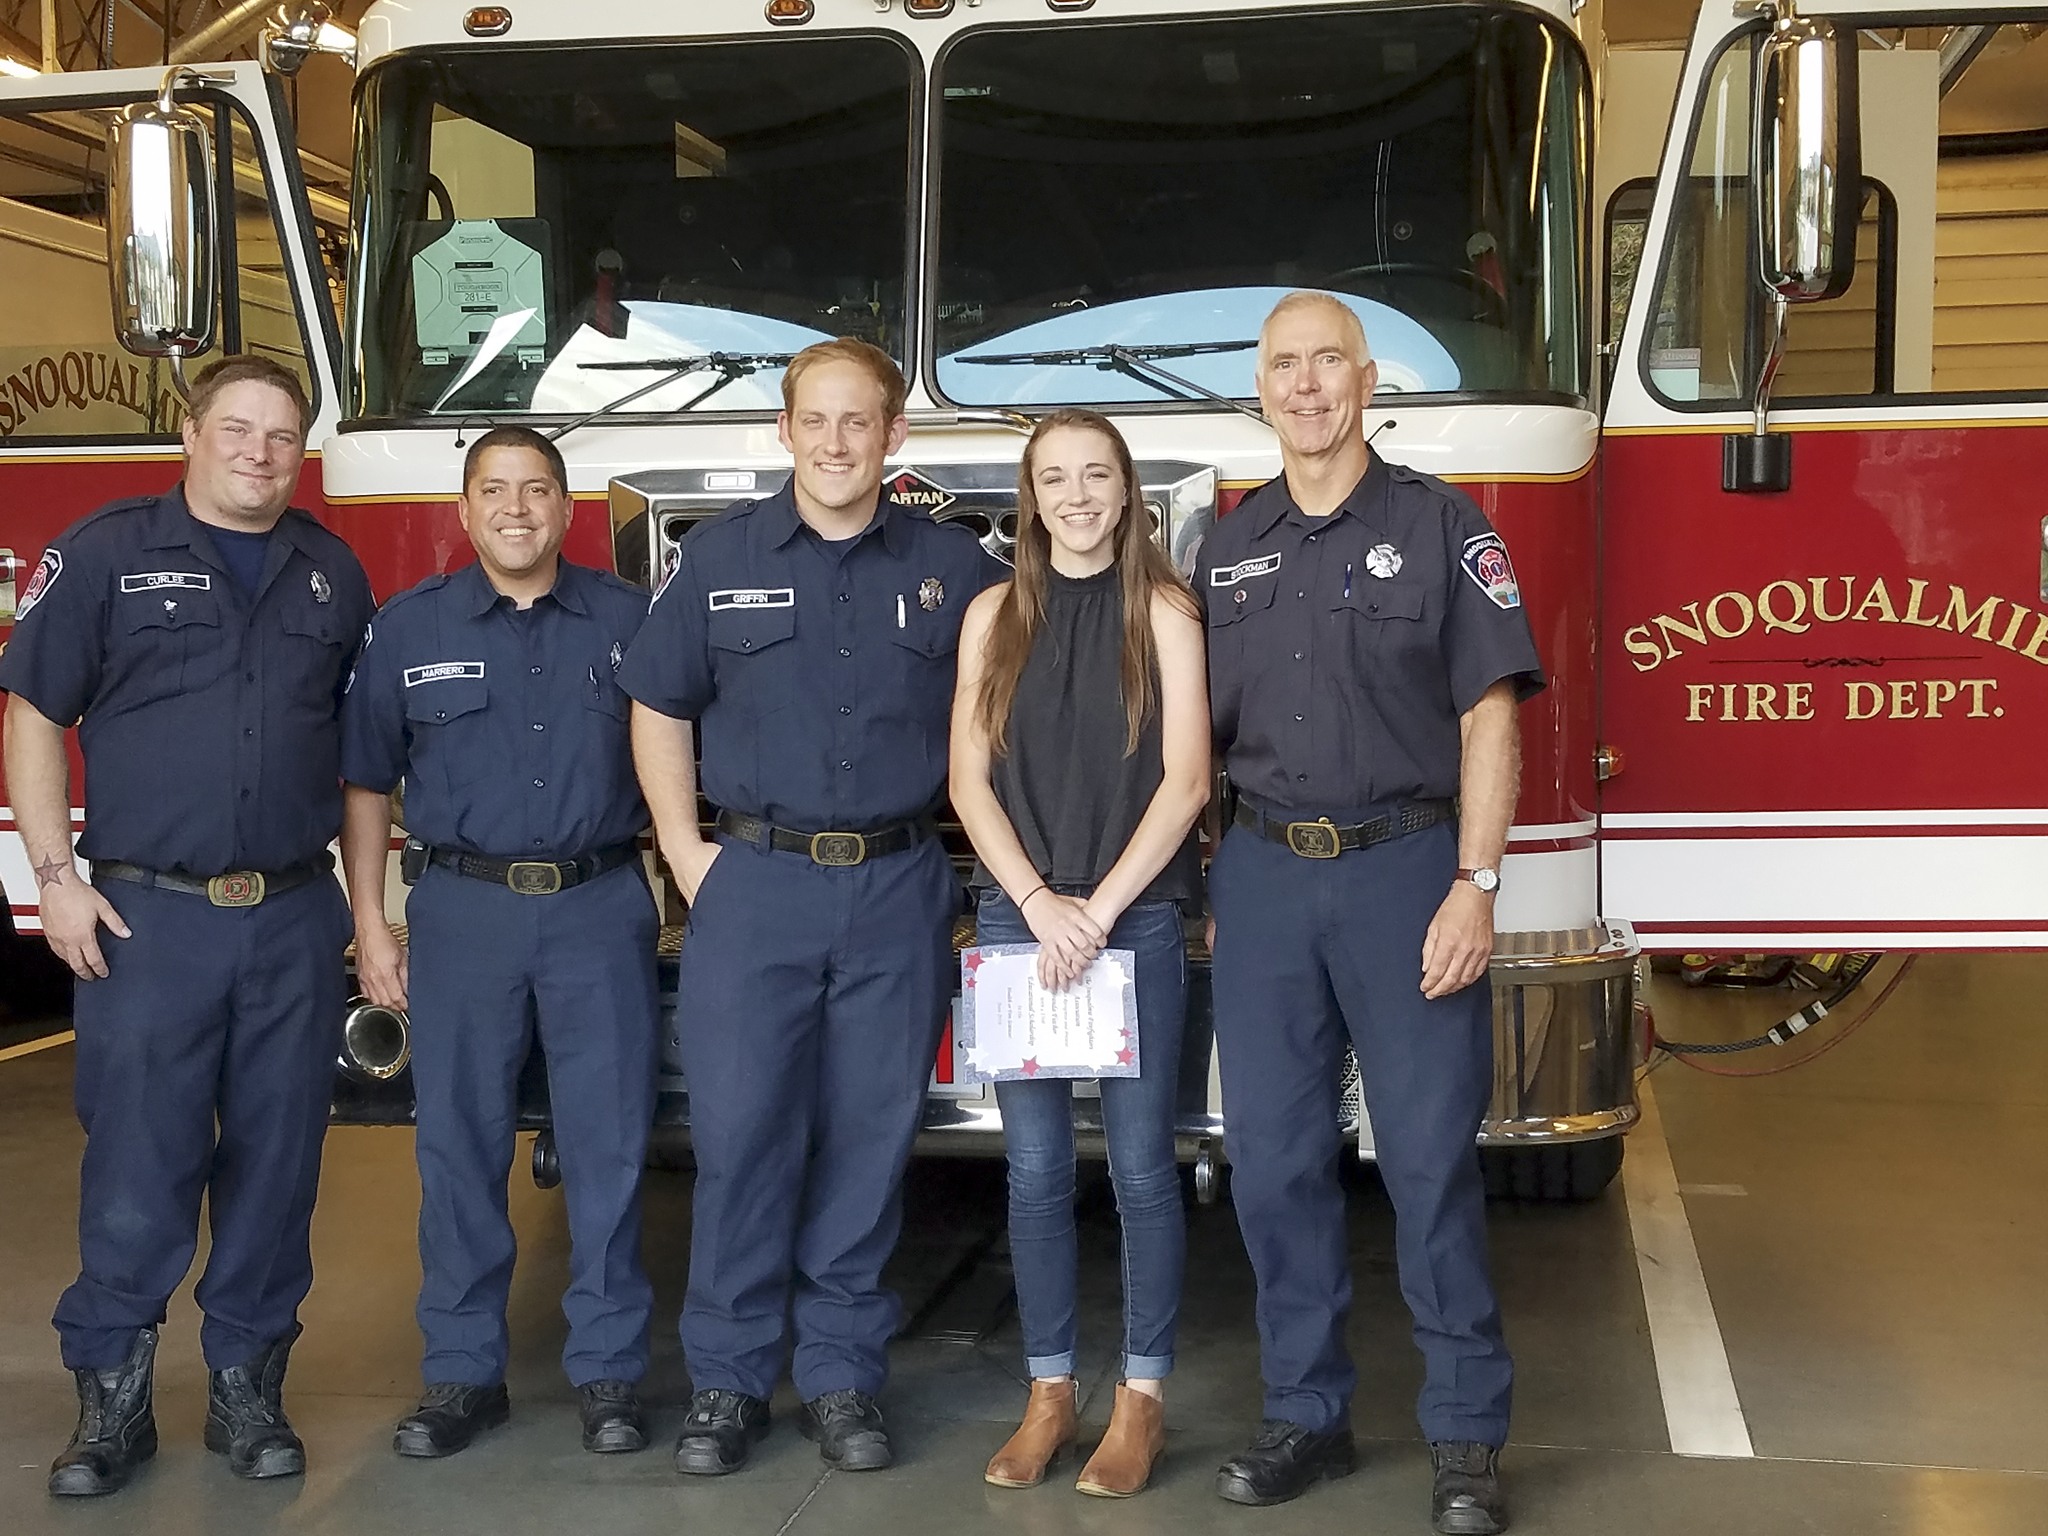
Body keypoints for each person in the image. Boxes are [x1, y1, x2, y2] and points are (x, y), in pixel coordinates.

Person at [620, 339, 1000, 1476]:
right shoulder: (716, 558)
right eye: (816, 421)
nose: (837, 443)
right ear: (784, 432)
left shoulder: (954, 568)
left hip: (897, 884)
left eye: (860, 423)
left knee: (868, 1140)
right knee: (740, 1139)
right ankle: (727, 1385)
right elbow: (656, 704)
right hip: (756, 884)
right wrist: (686, 852)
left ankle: (838, 1377)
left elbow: (1016, 705)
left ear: (895, 439)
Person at [1200, 293, 1543, 1535]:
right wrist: (1221, 887)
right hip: (1263, 878)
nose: (1304, 386)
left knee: (1427, 1162)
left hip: (1409, 877)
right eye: (1282, 366)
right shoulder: (1223, 546)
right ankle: (1306, 1412)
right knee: (1275, 1167)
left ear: (1364, 381)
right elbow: (1202, 745)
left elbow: (1487, 717)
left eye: (1325, 363)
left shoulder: (1446, 531)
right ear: (1260, 389)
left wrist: (1477, 882)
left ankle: (1463, 1435)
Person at [0, 356, 373, 1496]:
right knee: (137, 1167)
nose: (259, 452)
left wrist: (367, 914)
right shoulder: (107, 552)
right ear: (191, 432)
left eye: (281, 435)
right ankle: (110, 1405)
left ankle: (247, 1395)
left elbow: (362, 762)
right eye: (238, 429)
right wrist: (52, 874)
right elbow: (31, 711)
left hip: (293, 920)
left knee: (278, 1167)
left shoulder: (331, 572)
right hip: (147, 922)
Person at [338, 426, 659, 1459]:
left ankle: (610, 1372)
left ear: (568, 511)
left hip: (598, 904)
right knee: (459, 1147)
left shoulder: (628, 621)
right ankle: (461, 1373)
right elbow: (365, 786)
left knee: (608, 1149)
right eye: (493, 491)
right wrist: (368, 923)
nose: (515, 508)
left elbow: (683, 755)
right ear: (465, 510)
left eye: (535, 491)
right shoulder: (406, 630)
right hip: (460, 914)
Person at [950, 410, 1209, 1498]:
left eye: (1094, 473)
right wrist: (1033, 902)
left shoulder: (1164, 613)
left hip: (1132, 917)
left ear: (1126, 489)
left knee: (1146, 1172)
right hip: (1020, 923)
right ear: (1029, 494)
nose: (1075, 494)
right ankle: (1048, 1391)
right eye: (1053, 477)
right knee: (1035, 1171)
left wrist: (1093, 910)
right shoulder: (990, 617)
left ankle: (1139, 1399)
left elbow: (1187, 781)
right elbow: (966, 780)